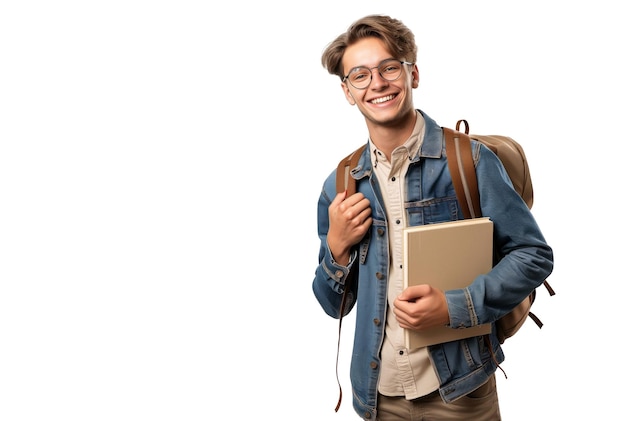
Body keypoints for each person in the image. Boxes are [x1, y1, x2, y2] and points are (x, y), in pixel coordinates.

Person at [312, 14, 554, 421]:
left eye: (390, 67)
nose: (378, 83)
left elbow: (533, 255)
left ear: (413, 74)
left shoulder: (471, 161)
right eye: (360, 75)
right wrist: (336, 249)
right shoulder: (341, 183)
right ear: (347, 92)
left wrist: (454, 307)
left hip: (460, 389)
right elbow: (332, 302)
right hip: (378, 394)